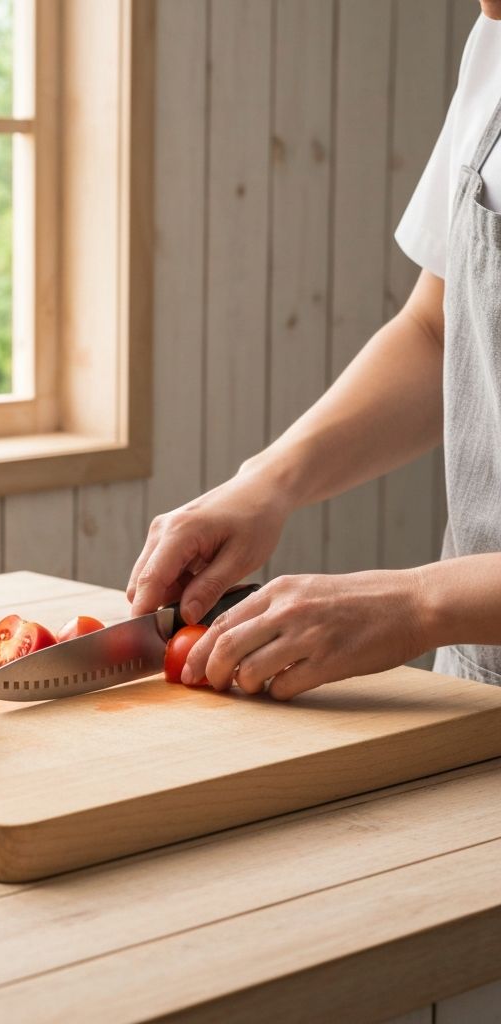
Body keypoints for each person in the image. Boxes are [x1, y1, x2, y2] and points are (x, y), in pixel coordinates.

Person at [126, 3, 501, 699]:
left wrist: (420, 602)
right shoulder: (494, 47)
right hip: (482, 687)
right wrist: (266, 484)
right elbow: (439, 329)